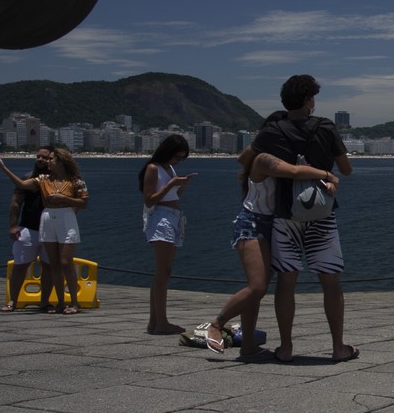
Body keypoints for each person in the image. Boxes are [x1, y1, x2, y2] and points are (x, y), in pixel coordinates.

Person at [246, 75, 358, 363]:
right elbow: (345, 169)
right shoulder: (326, 127)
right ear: (309, 100)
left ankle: (285, 348)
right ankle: (338, 347)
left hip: (286, 214)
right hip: (322, 213)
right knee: (330, 281)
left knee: (286, 281)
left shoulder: (272, 130)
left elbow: (246, 160)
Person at [204, 145, 339, 360]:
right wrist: (328, 174)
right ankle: (216, 324)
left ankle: (247, 346)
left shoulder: (282, 159)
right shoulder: (263, 159)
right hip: (252, 224)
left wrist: (327, 184)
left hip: (275, 224)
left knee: (257, 288)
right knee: (257, 287)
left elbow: (301, 178)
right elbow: (295, 172)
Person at [0, 146, 89, 314]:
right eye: (41, 157)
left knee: (60, 263)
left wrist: (64, 200)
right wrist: (2, 167)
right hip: (39, 223)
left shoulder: (74, 181)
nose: (44, 161)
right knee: (38, 264)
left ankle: (65, 302)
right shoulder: (40, 179)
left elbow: (83, 203)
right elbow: (19, 192)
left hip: (61, 222)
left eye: (49, 158)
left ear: (60, 161)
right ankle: (50, 302)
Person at [140, 135, 197, 335]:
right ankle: (160, 322)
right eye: (177, 157)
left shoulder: (169, 169)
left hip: (173, 216)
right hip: (161, 217)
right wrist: (171, 184)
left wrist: (179, 187)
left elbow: (172, 196)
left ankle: (155, 321)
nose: (178, 161)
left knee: (164, 272)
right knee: (162, 272)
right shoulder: (153, 168)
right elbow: (149, 200)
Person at [2, 146, 54, 311]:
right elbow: (16, 202)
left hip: (50, 230)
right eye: (38, 156)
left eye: (44, 157)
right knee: (20, 265)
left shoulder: (58, 180)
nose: (40, 159)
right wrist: (12, 225)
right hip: (28, 228)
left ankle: (44, 302)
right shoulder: (28, 177)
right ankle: (12, 301)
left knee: (49, 267)